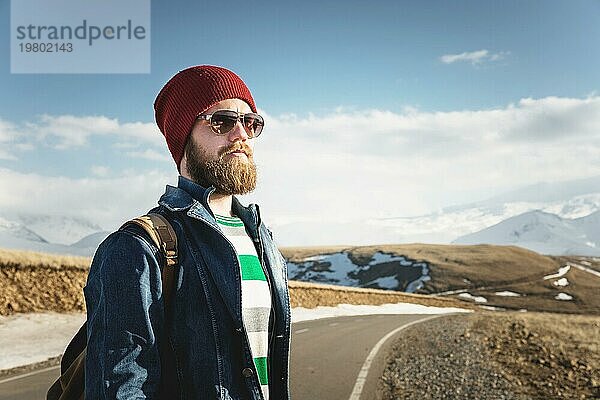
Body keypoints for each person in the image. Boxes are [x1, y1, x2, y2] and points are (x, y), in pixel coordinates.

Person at [84, 65, 291, 400]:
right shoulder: (137, 248)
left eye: (250, 122)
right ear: (183, 136)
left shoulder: (263, 241)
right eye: (222, 121)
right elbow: (120, 388)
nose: (240, 134)